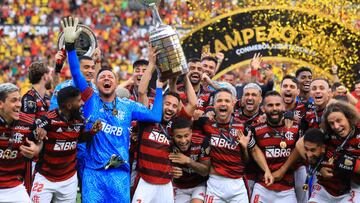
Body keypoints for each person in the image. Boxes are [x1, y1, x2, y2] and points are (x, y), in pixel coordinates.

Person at [62, 16, 163, 203]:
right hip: (94, 174)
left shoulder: (129, 105)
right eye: (102, 77)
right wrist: (70, 47)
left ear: (116, 83)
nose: (106, 78)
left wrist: (158, 88)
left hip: (119, 175)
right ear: (96, 83)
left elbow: (156, 115)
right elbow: (76, 73)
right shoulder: (90, 99)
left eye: (110, 76)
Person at [200, 88, 273, 203]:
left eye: (227, 101)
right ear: (213, 105)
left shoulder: (242, 127)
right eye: (219, 101)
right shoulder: (205, 123)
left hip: (237, 184)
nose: (223, 103)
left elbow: (254, 150)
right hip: (215, 183)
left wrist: (267, 171)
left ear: (233, 104)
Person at [29, 86, 97, 203]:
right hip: (45, 177)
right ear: (69, 106)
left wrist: (92, 132)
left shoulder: (80, 120)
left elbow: (78, 138)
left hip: (68, 180)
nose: (82, 103)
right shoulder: (49, 119)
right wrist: (37, 133)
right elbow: (31, 131)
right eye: (79, 100)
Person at [250, 91, 300, 203]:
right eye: (270, 105)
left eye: (278, 105)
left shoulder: (296, 127)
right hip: (263, 187)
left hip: (287, 189)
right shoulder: (255, 129)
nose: (274, 108)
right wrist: (267, 171)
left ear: (283, 106)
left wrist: (282, 170)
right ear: (263, 109)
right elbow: (254, 150)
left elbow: (300, 149)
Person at [0, 83, 42, 202]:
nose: (19, 104)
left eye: (19, 100)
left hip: (15, 187)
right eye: (14, 100)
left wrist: (37, 148)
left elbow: (40, 140)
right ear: (0, 104)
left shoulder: (28, 123)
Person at [320, 101, 360, 202]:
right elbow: (300, 144)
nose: (336, 126)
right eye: (332, 123)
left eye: (339, 120)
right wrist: (319, 167)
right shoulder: (329, 134)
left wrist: (353, 164)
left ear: (349, 118)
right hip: (350, 186)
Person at [169, 117, 210, 203]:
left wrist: (188, 161)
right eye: (179, 137)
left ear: (191, 132)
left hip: (199, 184)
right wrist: (170, 171)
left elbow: (205, 171)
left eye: (186, 136)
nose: (183, 141)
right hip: (179, 186)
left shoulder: (202, 141)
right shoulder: (168, 144)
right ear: (172, 135)